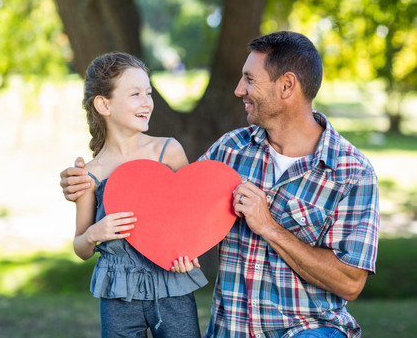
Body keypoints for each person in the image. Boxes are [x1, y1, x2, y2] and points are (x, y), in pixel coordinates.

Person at [61, 32, 380, 338]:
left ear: (287, 86)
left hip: (310, 329)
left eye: (250, 79)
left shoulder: (351, 173)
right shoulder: (229, 150)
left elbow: (350, 283)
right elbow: (174, 202)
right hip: (232, 331)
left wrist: (268, 226)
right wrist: (86, 187)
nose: (239, 89)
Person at [70, 52, 208, 338]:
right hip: (119, 295)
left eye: (149, 92)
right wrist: (96, 232)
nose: (147, 102)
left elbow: (192, 218)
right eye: (135, 94)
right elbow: (81, 247)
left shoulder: (168, 152)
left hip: (174, 285)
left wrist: (189, 251)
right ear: (104, 104)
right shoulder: (90, 173)